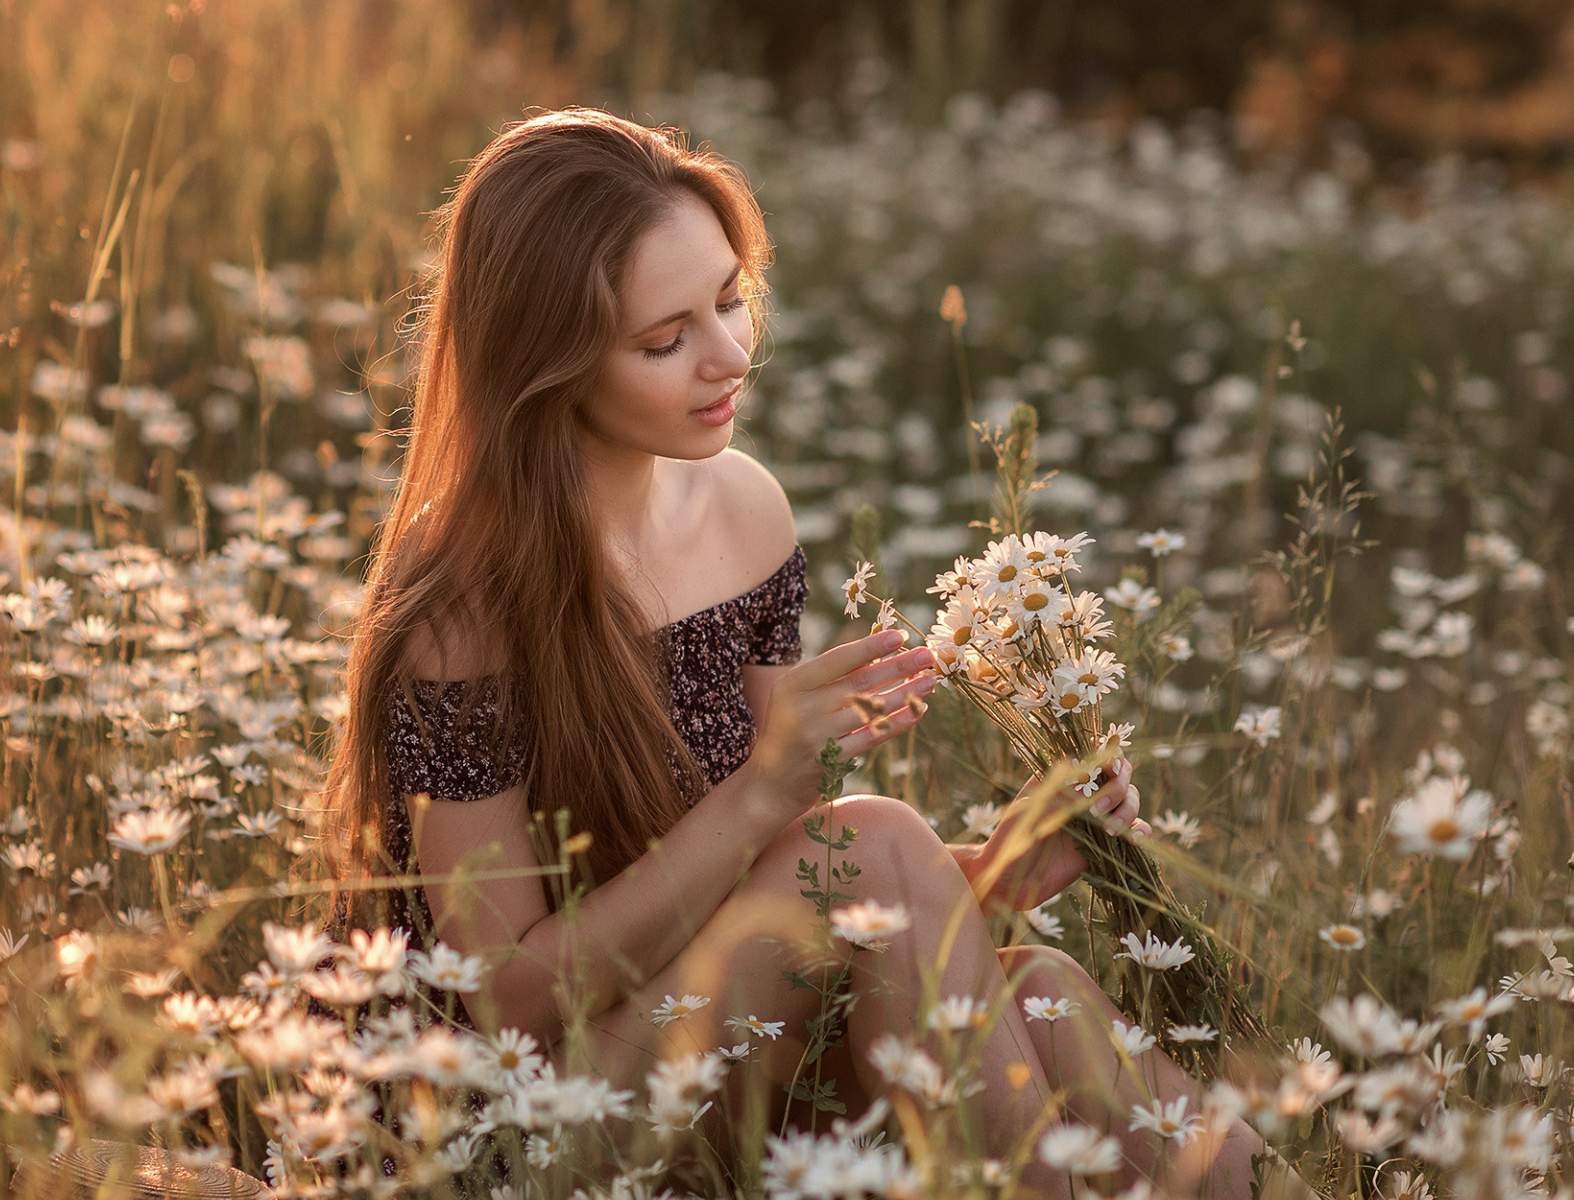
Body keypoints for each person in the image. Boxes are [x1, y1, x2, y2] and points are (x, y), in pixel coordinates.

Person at [323, 107, 1281, 1198]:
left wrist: (994, 880)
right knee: (869, 840)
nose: (730, 355)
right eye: (663, 338)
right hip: (523, 1125)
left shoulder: (745, 514)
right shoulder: (464, 607)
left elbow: (798, 917)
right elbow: (506, 1003)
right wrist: (765, 792)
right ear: (545, 360)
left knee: (1042, 991)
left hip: (710, 1046)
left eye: (729, 299)